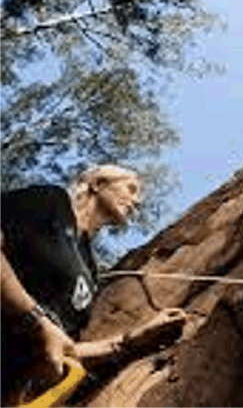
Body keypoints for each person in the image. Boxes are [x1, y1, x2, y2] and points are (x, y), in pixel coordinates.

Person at [1, 165, 185, 405]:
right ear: (98, 184)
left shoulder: (89, 271)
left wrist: (126, 341)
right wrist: (37, 321)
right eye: (131, 188)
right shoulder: (50, 203)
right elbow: (48, 332)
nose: (137, 201)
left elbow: (64, 346)